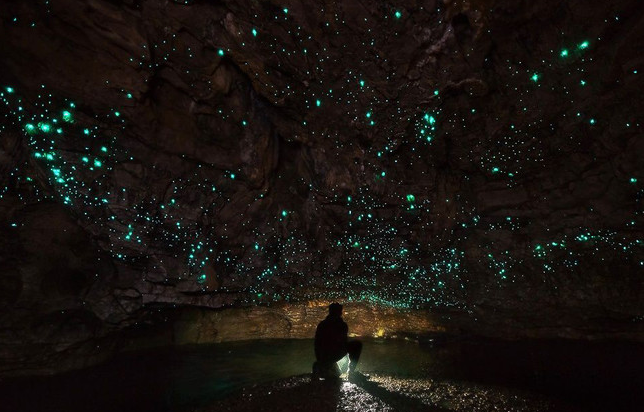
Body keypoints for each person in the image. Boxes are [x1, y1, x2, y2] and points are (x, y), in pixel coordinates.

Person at [312, 303, 362, 380]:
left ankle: (324, 365)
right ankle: (351, 372)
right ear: (340, 312)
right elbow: (342, 343)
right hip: (334, 353)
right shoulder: (342, 325)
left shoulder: (322, 324)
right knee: (357, 345)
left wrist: (320, 359)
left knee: (334, 374)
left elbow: (317, 344)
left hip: (324, 355)